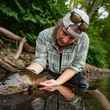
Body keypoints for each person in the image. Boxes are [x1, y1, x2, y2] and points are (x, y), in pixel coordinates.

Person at [27, 8, 89, 109]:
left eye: (71, 38)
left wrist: (58, 82)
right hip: (50, 71)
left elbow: (77, 65)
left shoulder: (84, 40)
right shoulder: (44, 35)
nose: (65, 40)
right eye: (64, 33)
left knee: (83, 86)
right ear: (59, 25)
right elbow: (40, 61)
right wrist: (27, 75)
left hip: (71, 73)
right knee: (33, 86)